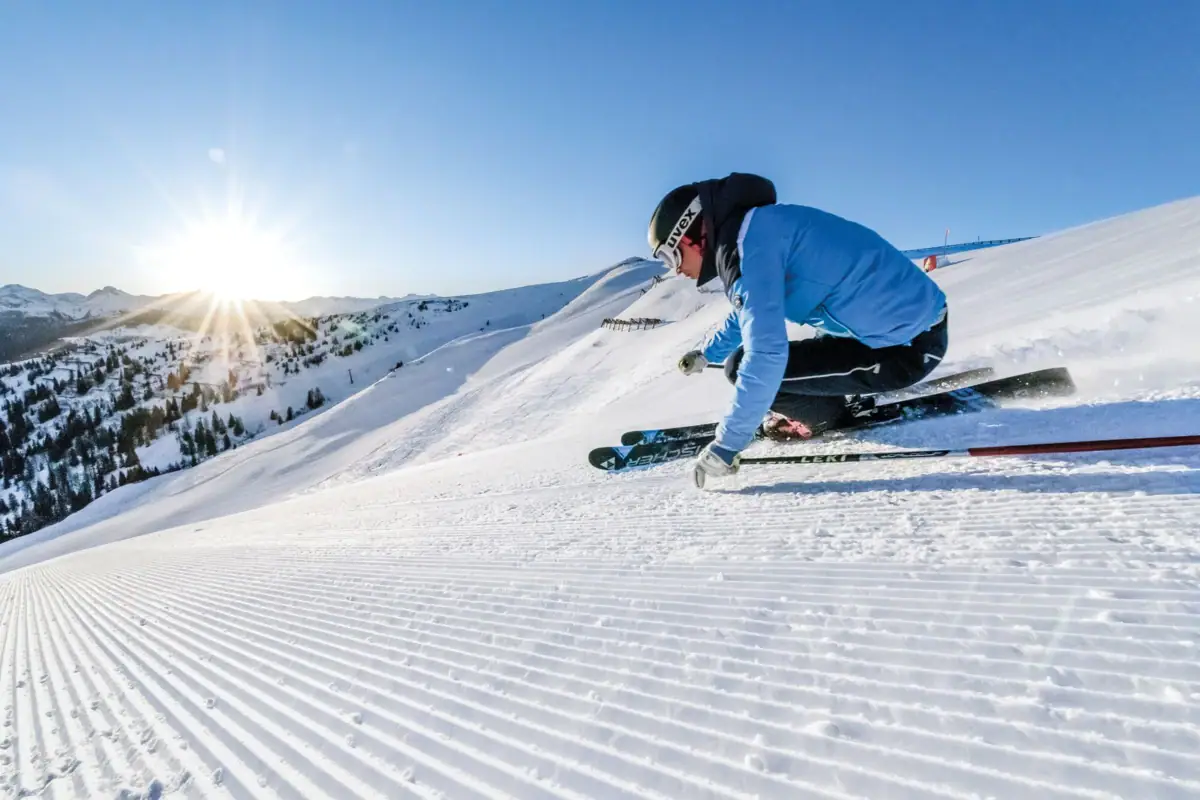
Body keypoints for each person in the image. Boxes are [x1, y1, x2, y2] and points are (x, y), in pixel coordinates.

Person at [647, 172, 948, 489]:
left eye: (670, 255)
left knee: (741, 367)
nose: (676, 269)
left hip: (906, 350)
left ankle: (825, 415)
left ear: (691, 233)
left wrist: (728, 444)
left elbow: (766, 355)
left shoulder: (745, 249)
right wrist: (707, 353)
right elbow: (749, 309)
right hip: (907, 327)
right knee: (768, 360)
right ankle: (837, 391)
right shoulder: (756, 230)